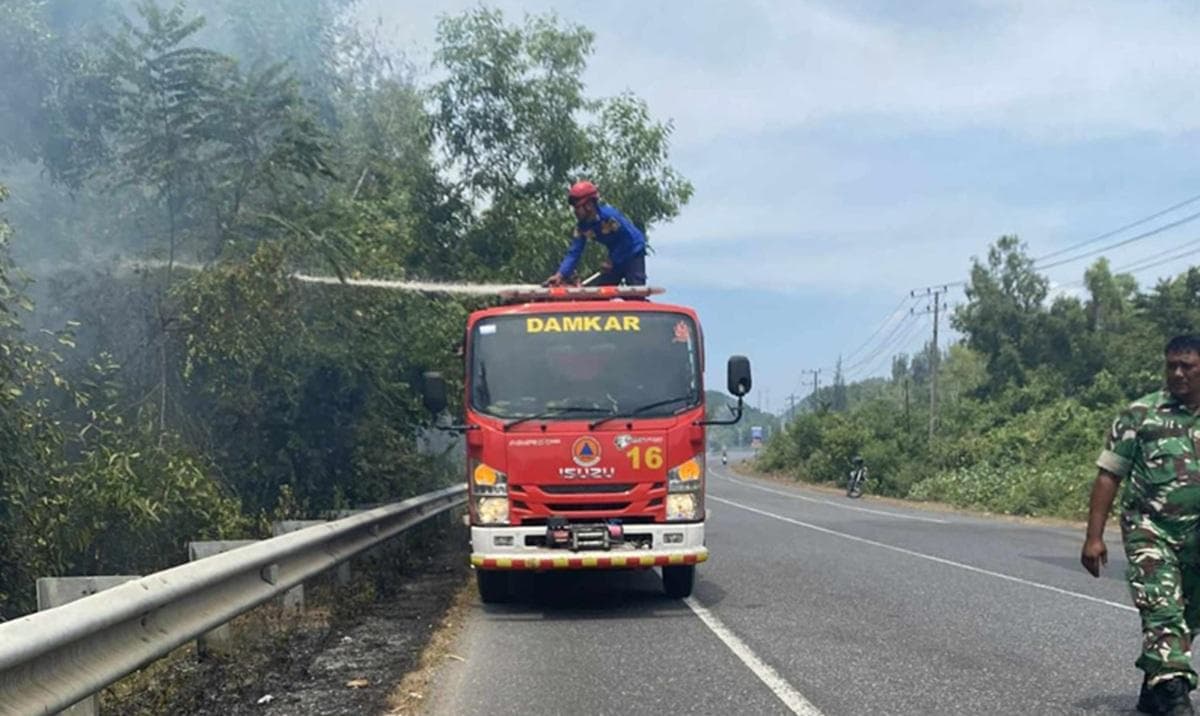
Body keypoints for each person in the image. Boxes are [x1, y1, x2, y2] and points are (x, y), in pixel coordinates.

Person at [1081, 335, 1200, 716]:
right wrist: (1093, 538)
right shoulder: (1140, 415)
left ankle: (1156, 685)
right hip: (1150, 530)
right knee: (1162, 606)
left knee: (1189, 617)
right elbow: (1108, 476)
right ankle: (1174, 695)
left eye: (1187, 366)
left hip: (1198, 536)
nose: (1177, 373)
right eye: (1171, 365)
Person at [546, 181, 647, 287]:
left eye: (577, 207)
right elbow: (574, 252)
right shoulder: (582, 227)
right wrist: (560, 275)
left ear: (589, 205)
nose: (575, 212)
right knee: (600, 292)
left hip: (633, 251)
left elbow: (627, 240)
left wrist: (612, 260)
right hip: (615, 257)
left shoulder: (609, 217)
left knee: (635, 292)